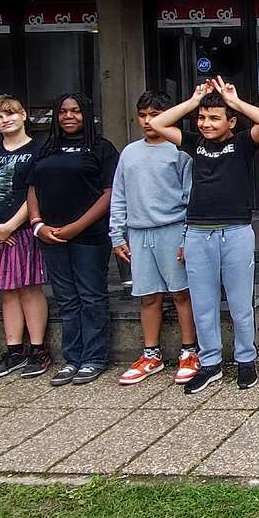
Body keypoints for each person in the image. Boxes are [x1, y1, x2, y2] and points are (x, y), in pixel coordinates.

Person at [149, 80, 259, 394]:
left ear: (231, 121)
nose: (206, 124)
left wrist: (233, 99)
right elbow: (158, 122)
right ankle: (210, 363)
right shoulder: (193, 142)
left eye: (214, 118)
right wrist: (195, 102)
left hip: (235, 231)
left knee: (239, 302)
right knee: (203, 303)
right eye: (202, 119)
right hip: (198, 232)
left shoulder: (244, 142)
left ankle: (246, 360)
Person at [25, 91, 120, 386]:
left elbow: (110, 193)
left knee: (91, 296)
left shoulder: (101, 148)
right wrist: (37, 224)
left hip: (89, 235)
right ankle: (72, 358)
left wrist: (76, 226)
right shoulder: (45, 149)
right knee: (67, 299)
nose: (69, 116)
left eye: (76, 111)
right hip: (50, 235)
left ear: (87, 114)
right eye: (63, 111)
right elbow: (32, 188)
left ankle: (94, 358)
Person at [110, 90, 198, 386]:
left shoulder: (180, 152)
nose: (148, 121)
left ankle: (189, 351)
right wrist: (116, 234)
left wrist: (187, 237)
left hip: (172, 229)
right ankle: (151, 354)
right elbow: (119, 195)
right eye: (143, 115)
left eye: (156, 115)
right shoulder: (129, 152)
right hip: (138, 232)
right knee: (148, 296)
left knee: (181, 293)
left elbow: (190, 196)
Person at [0, 94, 50, 380]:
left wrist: (11, 226)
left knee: (29, 287)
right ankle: (14, 349)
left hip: (21, 231)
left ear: (24, 114)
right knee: (7, 290)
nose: (6, 119)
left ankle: (38, 349)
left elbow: (36, 192)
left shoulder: (39, 150)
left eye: (11, 113)